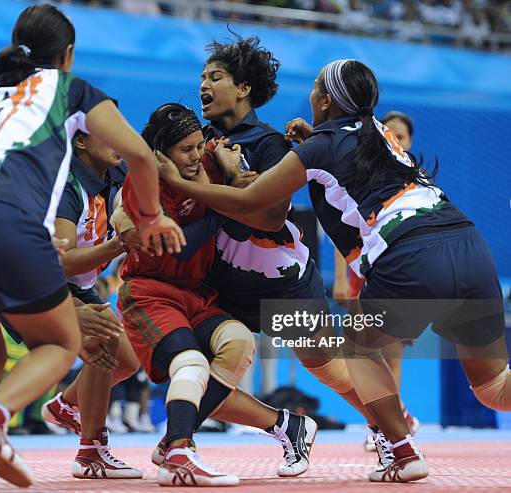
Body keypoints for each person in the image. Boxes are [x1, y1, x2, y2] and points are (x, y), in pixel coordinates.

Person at [157, 58, 510, 483]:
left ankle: (401, 449)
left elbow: (259, 206)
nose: (309, 95)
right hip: (467, 243)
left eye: (314, 88)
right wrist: (312, 140)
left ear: (324, 101)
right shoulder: (378, 130)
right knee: (494, 388)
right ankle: (376, 438)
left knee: (356, 347)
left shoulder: (311, 147)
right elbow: (342, 154)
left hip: (407, 253)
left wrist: (177, 183)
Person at [0, 4, 184, 491]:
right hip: (3, 214)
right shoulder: (69, 89)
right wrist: (154, 215)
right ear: (69, 54)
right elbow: (141, 153)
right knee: (61, 343)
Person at [117, 36, 391, 476]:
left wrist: (231, 178)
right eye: (202, 76)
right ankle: (104, 423)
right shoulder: (197, 138)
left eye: (215, 77)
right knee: (194, 364)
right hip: (225, 281)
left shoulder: (266, 143)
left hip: (282, 282)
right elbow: (139, 168)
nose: (203, 84)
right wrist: (121, 216)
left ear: (243, 88)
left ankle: (390, 431)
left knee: (326, 366)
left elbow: (270, 215)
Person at [41, 130, 142, 479]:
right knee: (104, 336)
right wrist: (119, 246)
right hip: (39, 282)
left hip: (80, 286)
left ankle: (66, 406)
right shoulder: (68, 188)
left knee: (128, 361)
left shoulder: (116, 176)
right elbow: (63, 260)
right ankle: (91, 453)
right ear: (82, 142)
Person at [332, 110, 420, 453]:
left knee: (391, 355)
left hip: (399, 276)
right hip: (362, 275)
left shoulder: (419, 180)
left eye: (402, 135)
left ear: (410, 142)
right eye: (390, 133)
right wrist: (341, 277)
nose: (395, 139)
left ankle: (389, 429)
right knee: (362, 354)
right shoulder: (361, 175)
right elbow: (344, 229)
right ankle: (398, 417)